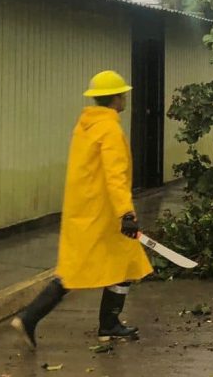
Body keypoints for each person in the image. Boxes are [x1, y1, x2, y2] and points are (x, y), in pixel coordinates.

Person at [10, 70, 153, 348]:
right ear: (114, 98)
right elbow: (115, 175)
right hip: (106, 213)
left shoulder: (85, 126)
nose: (124, 98)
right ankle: (38, 317)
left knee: (80, 268)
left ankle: (97, 324)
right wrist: (126, 213)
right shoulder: (110, 129)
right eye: (122, 94)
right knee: (119, 264)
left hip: (83, 211)